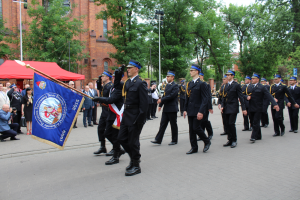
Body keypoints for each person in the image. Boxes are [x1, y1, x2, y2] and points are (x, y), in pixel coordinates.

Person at [118, 59, 148, 176]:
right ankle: (133, 158)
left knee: (133, 142)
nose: (128, 69)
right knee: (121, 138)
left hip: (136, 117)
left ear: (136, 69)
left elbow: (144, 104)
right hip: (127, 115)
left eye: (130, 68)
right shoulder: (128, 82)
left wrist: (140, 120)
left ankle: (136, 165)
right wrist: (117, 74)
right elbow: (117, 85)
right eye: (127, 68)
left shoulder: (141, 83)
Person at [93, 66, 126, 165]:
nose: (113, 78)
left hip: (115, 114)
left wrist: (98, 99)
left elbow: (111, 100)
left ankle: (116, 153)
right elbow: (101, 89)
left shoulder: (118, 87)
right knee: (107, 133)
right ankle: (117, 150)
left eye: (115, 77)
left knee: (114, 135)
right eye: (113, 76)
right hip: (110, 113)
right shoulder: (113, 87)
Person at [183, 64, 211, 154]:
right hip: (190, 109)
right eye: (190, 70)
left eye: (192, 70)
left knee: (196, 128)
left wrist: (201, 111)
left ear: (197, 71)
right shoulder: (190, 83)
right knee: (191, 129)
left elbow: (205, 99)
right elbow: (187, 97)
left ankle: (207, 141)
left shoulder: (202, 84)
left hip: (198, 110)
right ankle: (194, 147)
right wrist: (185, 109)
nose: (190, 72)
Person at [245, 73, 279, 143]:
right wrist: (246, 97)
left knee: (256, 122)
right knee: (252, 121)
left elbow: (269, 95)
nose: (252, 79)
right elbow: (244, 94)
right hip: (251, 107)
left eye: (254, 78)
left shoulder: (262, 87)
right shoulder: (249, 86)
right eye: (252, 78)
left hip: (258, 107)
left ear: (257, 79)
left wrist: (275, 104)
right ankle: (259, 136)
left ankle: (253, 137)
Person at [151, 71, 179, 145]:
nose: (167, 77)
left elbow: (172, 96)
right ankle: (158, 139)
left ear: (172, 77)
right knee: (163, 124)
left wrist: (162, 100)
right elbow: (164, 95)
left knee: (173, 125)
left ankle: (174, 140)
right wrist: (160, 105)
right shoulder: (167, 85)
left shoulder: (175, 86)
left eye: (169, 76)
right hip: (166, 108)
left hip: (172, 108)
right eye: (167, 76)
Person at [221, 70, 247, 148]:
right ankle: (230, 139)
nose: (227, 76)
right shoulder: (225, 85)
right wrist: (222, 105)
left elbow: (241, 97)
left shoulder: (236, 85)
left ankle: (234, 140)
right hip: (226, 108)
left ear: (232, 76)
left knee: (231, 124)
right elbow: (223, 97)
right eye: (227, 75)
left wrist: (244, 108)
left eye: (229, 75)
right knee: (227, 124)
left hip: (233, 107)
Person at [94, 70, 113, 155]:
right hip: (104, 111)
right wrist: (98, 81)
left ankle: (115, 147)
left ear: (107, 77)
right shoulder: (104, 85)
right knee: (100, 129)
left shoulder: (111, 86)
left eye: (103, 76)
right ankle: (102, 147)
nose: (102, 77)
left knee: (110, 131)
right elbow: (99, 89)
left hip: (109, 111)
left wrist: (99, 99)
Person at [198, 72, 213, 140]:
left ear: (202, 77)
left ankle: (210, 133)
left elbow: (209, 96)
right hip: (199, 105)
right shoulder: (197, 84)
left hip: (205, 105)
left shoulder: (206, 84)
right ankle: (202, 134)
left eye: (200, 76)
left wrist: (209, 107)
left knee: (205, 120)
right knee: (200, 121)